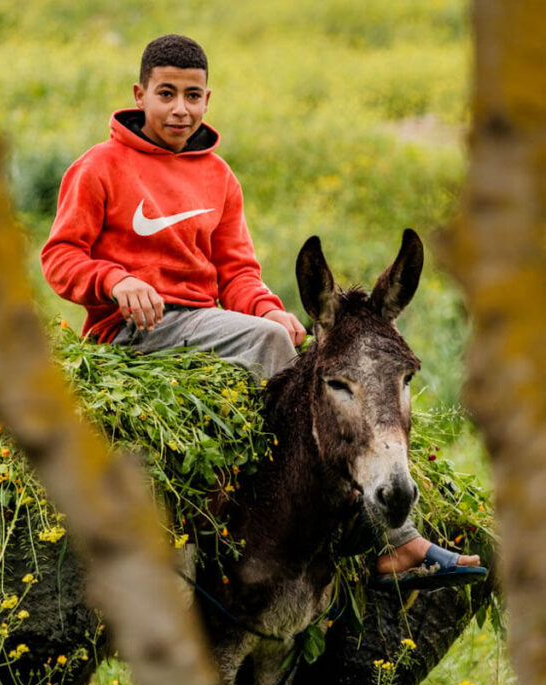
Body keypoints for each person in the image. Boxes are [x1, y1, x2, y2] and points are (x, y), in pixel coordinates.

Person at [41, 33, 484, 588]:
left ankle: (339, 506)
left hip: (202, 330)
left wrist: (268, 309)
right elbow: (59, 257)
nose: (181, 108)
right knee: (273, 351)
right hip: (133, 331)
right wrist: (114, 280)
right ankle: (378, 533)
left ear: (208, 98)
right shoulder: (99, 166)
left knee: (288, 343)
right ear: (140, 94)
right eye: (167, 94)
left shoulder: (217, 176)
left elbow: (237, 272)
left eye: (193, 95)